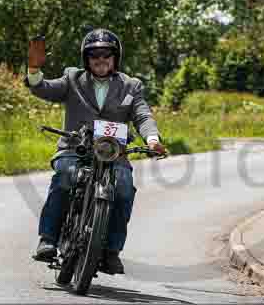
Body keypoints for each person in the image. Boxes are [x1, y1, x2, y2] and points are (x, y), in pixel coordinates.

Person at [25, 28, 166, 274]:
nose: (100, 60)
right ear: (86, 59)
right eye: (94, 55)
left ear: (115, 57)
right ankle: (48, 239)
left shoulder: (131, 86)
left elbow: (142, 115)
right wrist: (34, 70)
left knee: (123, 188)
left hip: (113, 154)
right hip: (75, 148)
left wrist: (152, 139)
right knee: (66, 176)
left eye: (106, 55)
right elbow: (43, 88)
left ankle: (111, 251)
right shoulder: (72, 78)